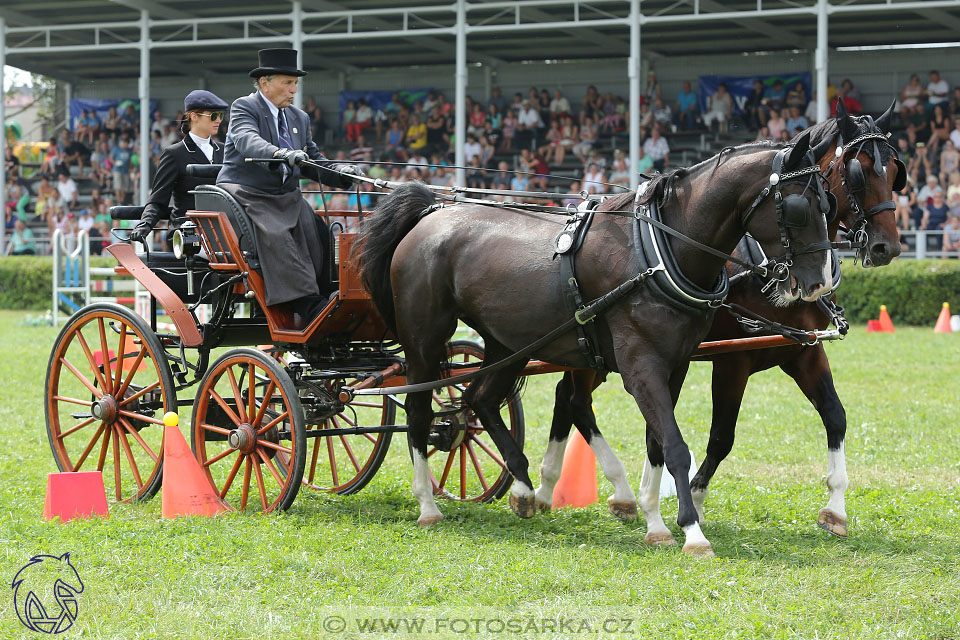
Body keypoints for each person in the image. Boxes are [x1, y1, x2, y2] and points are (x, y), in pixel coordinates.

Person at [217, 48, 362, 324]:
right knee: (276, 234)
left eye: (295, 83)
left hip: (285, 195)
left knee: (320, 233)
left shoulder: (299, 118)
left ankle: (328, 294)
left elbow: (313, 161)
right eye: (287, 82)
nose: (293, 89)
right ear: (264, 83)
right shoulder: (244, 107)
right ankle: (306, 304)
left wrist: (342, 172)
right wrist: (279, 153)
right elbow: (247, 140)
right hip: (247, 193)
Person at [128, 90, 229, 243]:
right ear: (194, 116)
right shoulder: (174, 154)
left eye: (220, 116)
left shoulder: (225, 151)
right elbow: (158, 198)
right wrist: (145, 224)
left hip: (223, 229)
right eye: (213, 116)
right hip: (188, 232)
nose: (218, 121)